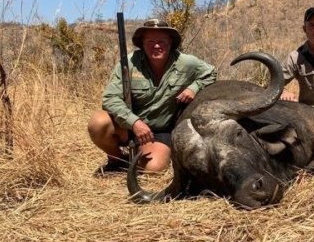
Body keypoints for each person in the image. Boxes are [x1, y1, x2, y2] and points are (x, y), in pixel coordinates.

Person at [88, 19, 217, 176]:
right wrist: (134, 122)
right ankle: (118, 161)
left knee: (153, 169)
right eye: (151, 41)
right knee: (98, 122)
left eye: (161, 41)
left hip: (159, 131)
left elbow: (210, 73)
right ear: (142, 43)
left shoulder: (186, 62)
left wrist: (193, 87)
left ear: (170, 42)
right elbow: (110, 98)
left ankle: (139, 156)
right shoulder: (128, 63)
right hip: (129, 126)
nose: (156, 46)